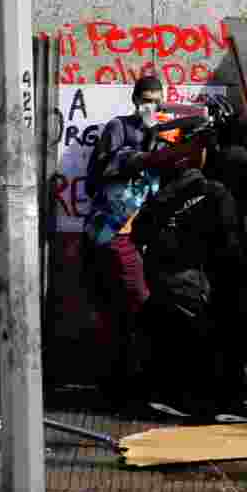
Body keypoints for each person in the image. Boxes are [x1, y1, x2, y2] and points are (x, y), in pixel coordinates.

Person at [82, 75, 208, 398]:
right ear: (135, 100)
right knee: (137, 303)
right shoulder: (119, 129)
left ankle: (121, 380)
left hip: (134, 235)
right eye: (145, 100)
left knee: (123, 310)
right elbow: (120, 165)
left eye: (156, 100)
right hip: (111, 231)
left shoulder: (164, 134)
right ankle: (126, 382)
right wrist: (156, 144)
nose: (150, 106)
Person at [132, 128, 247, 422]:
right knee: (220, 334)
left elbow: (141, 231)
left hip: (168, 278)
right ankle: (216, 401)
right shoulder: (215, 194)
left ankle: (176, 396)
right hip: (192, 281)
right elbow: (230, 250)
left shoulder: (178, 189)